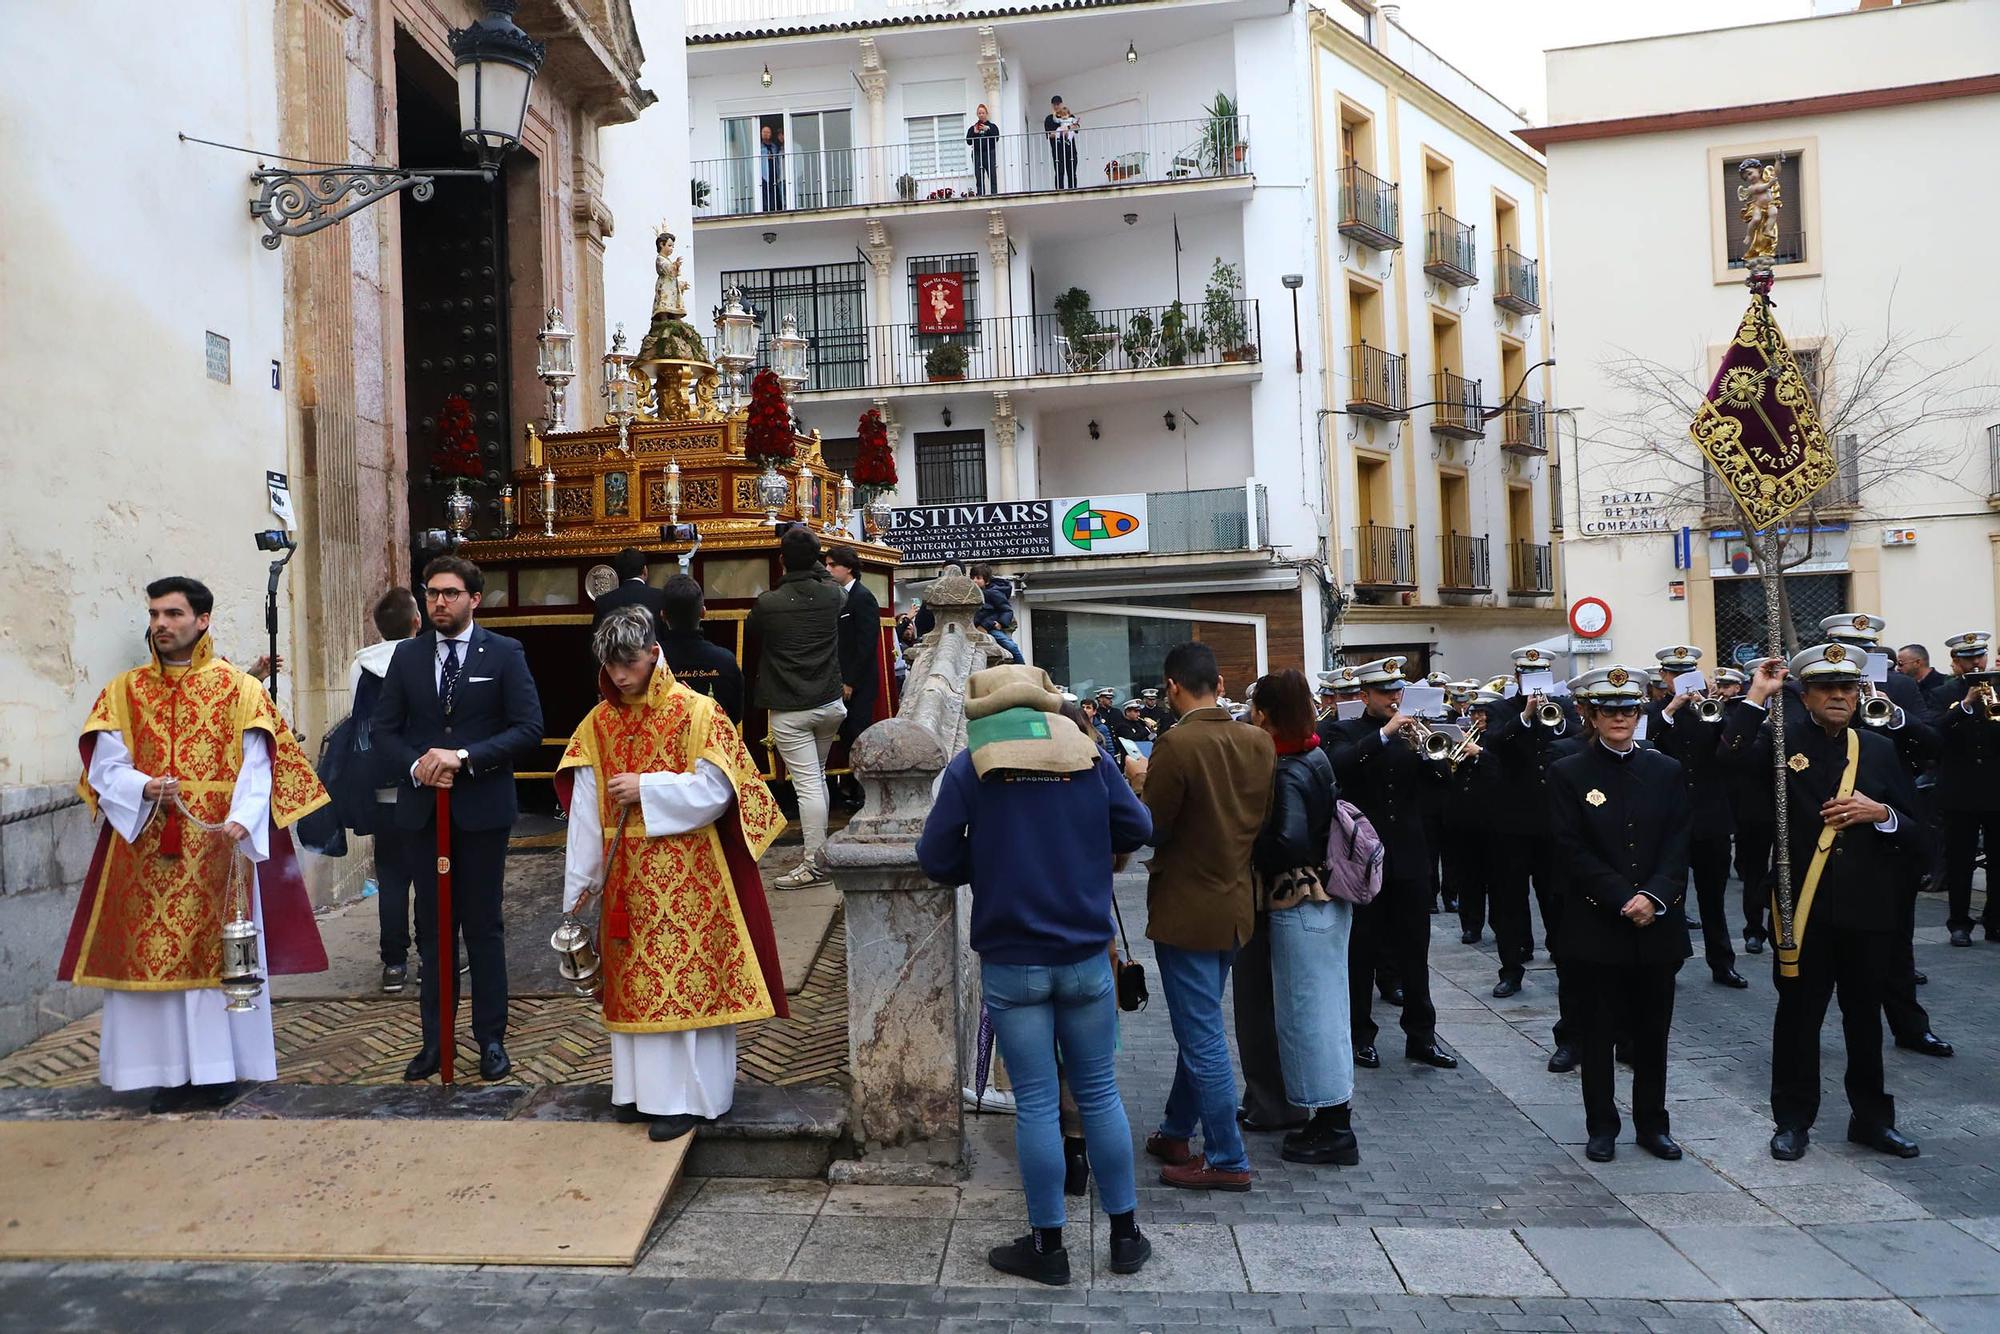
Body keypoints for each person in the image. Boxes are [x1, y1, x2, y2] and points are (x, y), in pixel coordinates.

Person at [917, 665, 1153, 1283]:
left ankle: (1049, 1248)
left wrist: (993, 855)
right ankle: (1125, 1236)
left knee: (1039, 1105)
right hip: (1084, 957)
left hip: (1014, 962)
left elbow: (936, 857)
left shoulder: (974, 765)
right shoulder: (1088, 755)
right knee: (1099, 1093)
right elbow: (1137, 828)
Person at [61, 576, 330, 1112]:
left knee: (217, 959)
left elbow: (261, 766)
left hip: (216, 850)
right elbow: (105, 766)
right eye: (155, 614)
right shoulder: (125, 690)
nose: (161, 624)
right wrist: (142, 787)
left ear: (202, 620)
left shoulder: (240, 689)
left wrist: (243, 820)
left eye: (173, 615)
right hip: (143, 849)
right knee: (151, 956)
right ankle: (163, 1071)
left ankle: (216, 1071)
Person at [557, 607, 790, 1141]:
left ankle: (691, 1099)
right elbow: (588, 812)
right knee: (634, 985)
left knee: (689, 983)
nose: (620, 675)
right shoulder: (598, 723)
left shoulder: (698, 712)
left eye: (630, 662)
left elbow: (717, 792)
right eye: (611, 664)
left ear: (653, 653)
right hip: (625, 880)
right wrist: (580, 887)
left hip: (692, 876)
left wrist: (649, 788)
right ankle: (637, 1093)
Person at [1723, 646, 1924, 1162]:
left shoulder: (1877, 748)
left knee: (1865, 1018)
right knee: (1799, 1018)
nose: (1839, 697)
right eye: (1827, 689)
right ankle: (1792, 1120)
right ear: (1806, 695)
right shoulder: (1780, 741)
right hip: (1802, 907)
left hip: (1868, 908)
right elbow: (1727, 756)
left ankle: (1873, 1120)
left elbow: (1924, 833)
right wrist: (1756, 694)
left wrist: (1881, 813)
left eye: (1848, 688)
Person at [373, 555, 545, 1082]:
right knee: (433, 930)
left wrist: (464, 758)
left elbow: (528, 728)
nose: (439, 602)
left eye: (450, 593)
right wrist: (419, 764)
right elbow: (384, 731)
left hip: (480, 812)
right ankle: (435, 1041)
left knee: (483, 927)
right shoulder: (405, 656)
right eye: (432, 594)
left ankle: (490, 1038)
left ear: (474, 598)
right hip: (425, 814)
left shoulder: (505, 653)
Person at [1140, 642, 1274, 1192]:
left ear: (1173, 686)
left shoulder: (1175, 744)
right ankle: (1176, 1130)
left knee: (1202, 1037)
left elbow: (1153, 827)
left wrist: (1135, 781)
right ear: (1219, 683)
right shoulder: (1258, 742)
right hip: (1235, 904)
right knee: (1199, 1030)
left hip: (1186, 909)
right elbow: (1261, 822)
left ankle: (1225, 1157)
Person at [1547, 666, 1693, 1163]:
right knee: (1598, 1030)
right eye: (1608, 710)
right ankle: (1602, 1126)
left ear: (1640, 712)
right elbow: (1568, 848)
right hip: (1597, 924)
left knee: (1653, 1033)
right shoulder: (1568, 772)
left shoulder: (1665, 770)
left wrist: (1654, 896)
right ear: (1589, 713)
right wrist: (1618, 897)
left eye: (1629, 709)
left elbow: (1678, 843)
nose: (1619, 718)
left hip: (1657, 922)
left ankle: (1653, 1124)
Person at [1237, 670, 1358, 1166]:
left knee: (1307, 1017)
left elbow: (1286, 841)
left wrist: (1245, 845)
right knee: (1325, 1012)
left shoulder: (1287, 767)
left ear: (1265, 714)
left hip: (1298, 901)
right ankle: (1327, 1119)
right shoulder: (1315, 752)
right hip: (1325, 901)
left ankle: (1333, 1129)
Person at [1319, 657, 1459, 1072]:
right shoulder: (1346, 731)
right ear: (1365, 696)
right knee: (1361, 951)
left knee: (1415, 952)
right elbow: (1339, 766)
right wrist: (1383, 734)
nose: (1395, 698)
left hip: (1411, 858)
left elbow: (1442, 783)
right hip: (1363, 860)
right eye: (1385, 693)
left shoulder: (1415, 734)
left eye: (1397, 692)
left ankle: (1422, 1037)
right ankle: (1361, 1036)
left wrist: (1436, 753)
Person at [748, 526, 846, 890]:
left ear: (782, 561)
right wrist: (813, 563)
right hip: (829, 703)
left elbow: (753, 631)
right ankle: (820, 857)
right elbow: (827, 582)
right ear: (819, 560)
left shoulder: (768, 604)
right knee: (816, 777)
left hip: (791, 708)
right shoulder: (833, 596)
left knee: (807, 785)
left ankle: (814, 864)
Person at [1648, 645, 1747, 989]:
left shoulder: (1712, 710)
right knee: (1669, 896)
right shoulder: (1653, 711)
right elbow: (1645, 741)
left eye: (1687, 674)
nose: (1681, 681)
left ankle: (1722, 963)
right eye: (1674, 675)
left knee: (1713, 899)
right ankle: (1668, 961)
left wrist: (1714, 711)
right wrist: (1672, 708)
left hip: (1710, 819)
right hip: (1669, 819)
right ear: (1664, 677)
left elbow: (1732, 749)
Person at [350, 587, 423, 993]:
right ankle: (430, 956)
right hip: (421, 783)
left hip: (380, 787)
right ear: (417, 622)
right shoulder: (424, 657)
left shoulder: (360, 666)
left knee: (391, 878)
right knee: (429, 876)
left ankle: (393, 963)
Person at [1935, 631, 1998, 946]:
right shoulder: (1943, 692)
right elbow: (1933, 732)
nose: (1976, 663)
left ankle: (1995, 921)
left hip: (1996, 790)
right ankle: (1959, 923)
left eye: (1980, 656)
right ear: (1955, 662)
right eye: (1968, 658)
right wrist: (1965, 705)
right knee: (1959, 862)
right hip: (1958, 793)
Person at [827, 546, 881, 810]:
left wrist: (851, 681)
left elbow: (866, 645)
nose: (828, 570)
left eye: (832, 565)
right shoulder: (835, 596)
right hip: (837, 679)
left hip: (858, 684)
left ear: (848, 568)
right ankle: (845, 785)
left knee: (857, 733)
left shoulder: (862, 598)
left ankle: (863, 790)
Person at [659, 573, 744, 725]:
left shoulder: (653, 662)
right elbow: (735, 715)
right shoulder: (725, 660)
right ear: (703, 612)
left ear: (662, 616)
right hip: (713, 744)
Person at [592, 547, 668, 633]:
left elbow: (596, 642)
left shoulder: (603, 601)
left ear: (618, 574)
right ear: (645, 571)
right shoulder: (660, 597)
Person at [969, 563, 1024, 663]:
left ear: (986, 581)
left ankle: (1023, 667)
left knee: (1010, 646)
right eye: (972, 578)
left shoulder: (993, 593)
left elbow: (1006, 610)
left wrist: (1000, 623)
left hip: (990, 628)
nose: (974, 581)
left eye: (978, 578)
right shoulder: (969, 594)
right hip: (974, 628)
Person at [1897, 642, 1952, 708]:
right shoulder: (1905, 686)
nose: (1898, 668)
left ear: (1917, 662)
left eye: (1900, 664)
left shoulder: (1946, 684)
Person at [1044, 96, 1080, 190]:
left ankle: (1073, 190)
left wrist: (1067, 129)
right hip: (1057, 150)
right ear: (1052, 105)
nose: (1057, 106)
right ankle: (1060, 191)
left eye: (1058, 104)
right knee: (1059, 172)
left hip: (1070, 149)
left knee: (1071, 171)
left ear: (1062, 104)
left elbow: (1076, 127)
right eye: (1055, 104)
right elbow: (1049, 135)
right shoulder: (1049, 119)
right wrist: (1060, 132)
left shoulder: (1069, 116)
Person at [966, 103, 1001, 196]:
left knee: (992, 174)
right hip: (978, 153)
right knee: (979, 175)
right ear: (977, 114)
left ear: (986, 114)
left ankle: (994, 194)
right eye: (979, 113)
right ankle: (981, 194)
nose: (981, 115)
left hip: (989, 153)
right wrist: (974, 133)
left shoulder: (992, 126)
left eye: (983, 113)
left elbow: (996, 137)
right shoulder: (973, 127)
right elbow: (968, 141)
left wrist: (988, 129)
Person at [758, 123, 785, 211]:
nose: (766, 134)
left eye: (768, 132)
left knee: (775, 191)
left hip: (774, 172)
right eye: (764, 132)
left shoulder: (774, 147)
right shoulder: (759, 147)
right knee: (765, 192)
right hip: (764, 174)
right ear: (761, 134)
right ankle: (766, 208)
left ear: (771, 134)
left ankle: (776, 207)